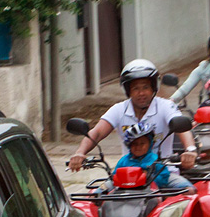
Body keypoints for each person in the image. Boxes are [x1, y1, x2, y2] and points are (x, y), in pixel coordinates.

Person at [68, 59, 198, 173]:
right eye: (135, 88)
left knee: (188, 192)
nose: (141, 93)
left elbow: (183, 129)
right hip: (128, 174)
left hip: (163, 173)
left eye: (145, 87)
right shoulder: (119, 109)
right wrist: (80, 153)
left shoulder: (166, 106)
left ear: (153, 88)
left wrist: (190, 150)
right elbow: (96, 133)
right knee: (95, 197)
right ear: (128, 90)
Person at [112, 122, 195, 193]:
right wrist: (102, 190)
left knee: (189, 190)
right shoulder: (124, 161)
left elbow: (163, 178)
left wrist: (148, 178)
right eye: (134, 144)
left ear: (151, 144)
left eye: (142, 143)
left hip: (151, 191)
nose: (138, 147)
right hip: (127, 193)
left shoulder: (155, 160)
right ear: (129, 145)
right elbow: (113, 177)